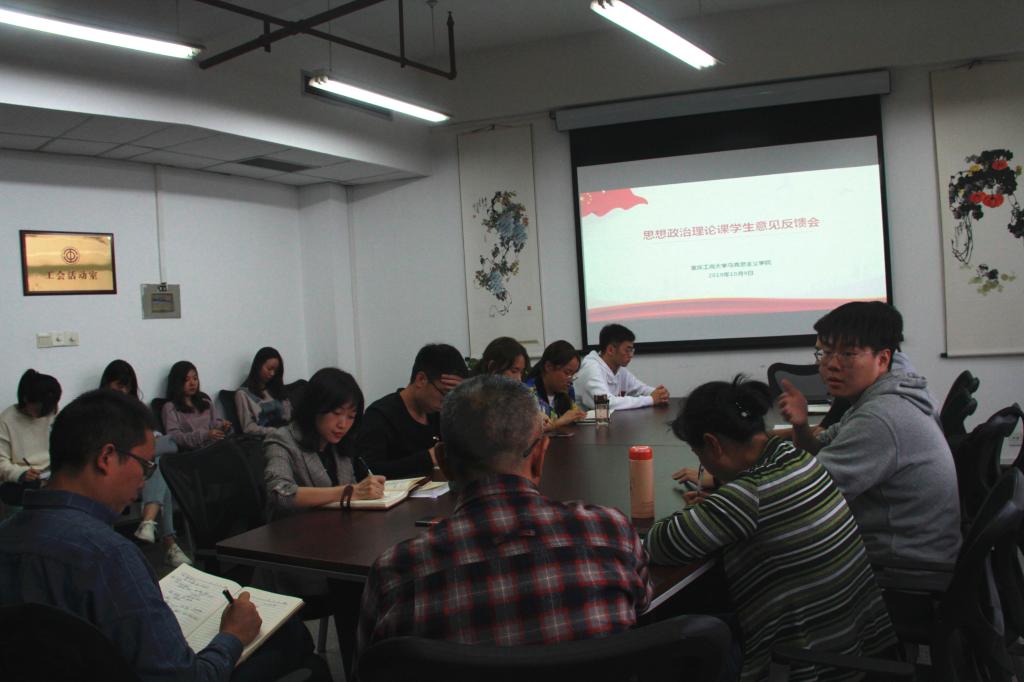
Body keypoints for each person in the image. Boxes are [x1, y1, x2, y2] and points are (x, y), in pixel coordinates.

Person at [0, 389, 328, 682]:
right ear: (106, 458)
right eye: (145, 466)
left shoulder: (7, 534)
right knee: (292, 638)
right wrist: (232, 635)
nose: (144, 481)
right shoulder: (110, 556)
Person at [357, 375, 652, 660]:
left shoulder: (395, 573)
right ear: (539, 456)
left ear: (443, 463)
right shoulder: (611, 533)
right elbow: (642, 611)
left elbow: (369, 669)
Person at [646, 378, 896, 681]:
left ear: (713, 444)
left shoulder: (747, 495)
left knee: (667, 644)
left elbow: (660, 545)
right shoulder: (798, 457)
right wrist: (719, 504)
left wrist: (699, 511)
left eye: (699, 456)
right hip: (854, 649)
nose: (704, 467)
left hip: (803, 667)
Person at [776, 301, 961, 568]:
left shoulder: (881, 417)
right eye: (825, 352)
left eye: (848, 354)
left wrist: (728, 485)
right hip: (912, 548)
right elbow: (820, 449)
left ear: (883, 359)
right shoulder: (877, 398)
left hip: (902, 566)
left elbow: (806, 494)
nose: (831, 365)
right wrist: (801, 426)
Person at [263, 366, 384, 676]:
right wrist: (348, 492)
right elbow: (280, 493)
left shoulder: (340, 446)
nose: (343, 424)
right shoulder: (282, 440)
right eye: (336, 413)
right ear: (314, 407)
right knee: (359, 589)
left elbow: (353, 488)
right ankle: (359, 671)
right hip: (298, 558)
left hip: (340, 547)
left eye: (351, 416)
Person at [100, 360, 191, 567]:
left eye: (127, 386)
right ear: (107, 384)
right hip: (118, 465)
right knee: (159, 465)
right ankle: (167, 541)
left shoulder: (135, 409)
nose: (123, 391)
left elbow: (149, 432)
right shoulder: (100, 410)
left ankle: (149, 524)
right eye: (119, 386)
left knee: (160, 457)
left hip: (141, 464)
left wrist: (153, 438)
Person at [356, 343, 469, 479]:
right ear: (421, 379)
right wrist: (428, 458)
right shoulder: (379, 416)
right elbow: (368, 471)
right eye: (444, 393)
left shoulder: (439, 414)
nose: (447, 402)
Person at [0, 369, 61, 506]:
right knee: (12, 492)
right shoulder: (7, 420)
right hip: (27, 478)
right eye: (40, 409)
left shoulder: (52, 413)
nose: (45, 414)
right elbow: (1, 462)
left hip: (53, 472)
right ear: (26, 399)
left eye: (50, 408)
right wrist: (21, 473)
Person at [575, 323, 669, 411]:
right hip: (582, 422)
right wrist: (651, 399)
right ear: (610, 350)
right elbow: (605, 403)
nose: (631, 355)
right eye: (627, 350)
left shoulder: (619, 369)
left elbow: (640, 389)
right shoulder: (591, 368)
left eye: (632, 350)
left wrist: (659, 394)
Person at [163, 361, 231, 450]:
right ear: (177, 383)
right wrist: (205, 435)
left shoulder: (206, 403)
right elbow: (175, 437)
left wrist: (223, 427)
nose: (192, 383)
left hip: (215, 445)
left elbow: (215, 424)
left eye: (195, 378)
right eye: (187, 380)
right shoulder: (170, 407)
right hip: (194, 452)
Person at [523, 340, 587, 429]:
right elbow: (527, 431)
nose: (571, 380)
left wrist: (578, 415)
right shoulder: (527, 393)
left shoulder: (568, 390)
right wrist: (558, 423)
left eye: (573, 374)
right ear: (548, 367)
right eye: (567, 373)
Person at [235, 347, 292, 438]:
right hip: (267, 438)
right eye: (269, 369)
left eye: (275, 370)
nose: (272, 373)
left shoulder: (277, 388)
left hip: (288, 434)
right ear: (258, 366)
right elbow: (248, 427)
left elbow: (289, 416)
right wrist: (275, 432)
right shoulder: (243, 394)